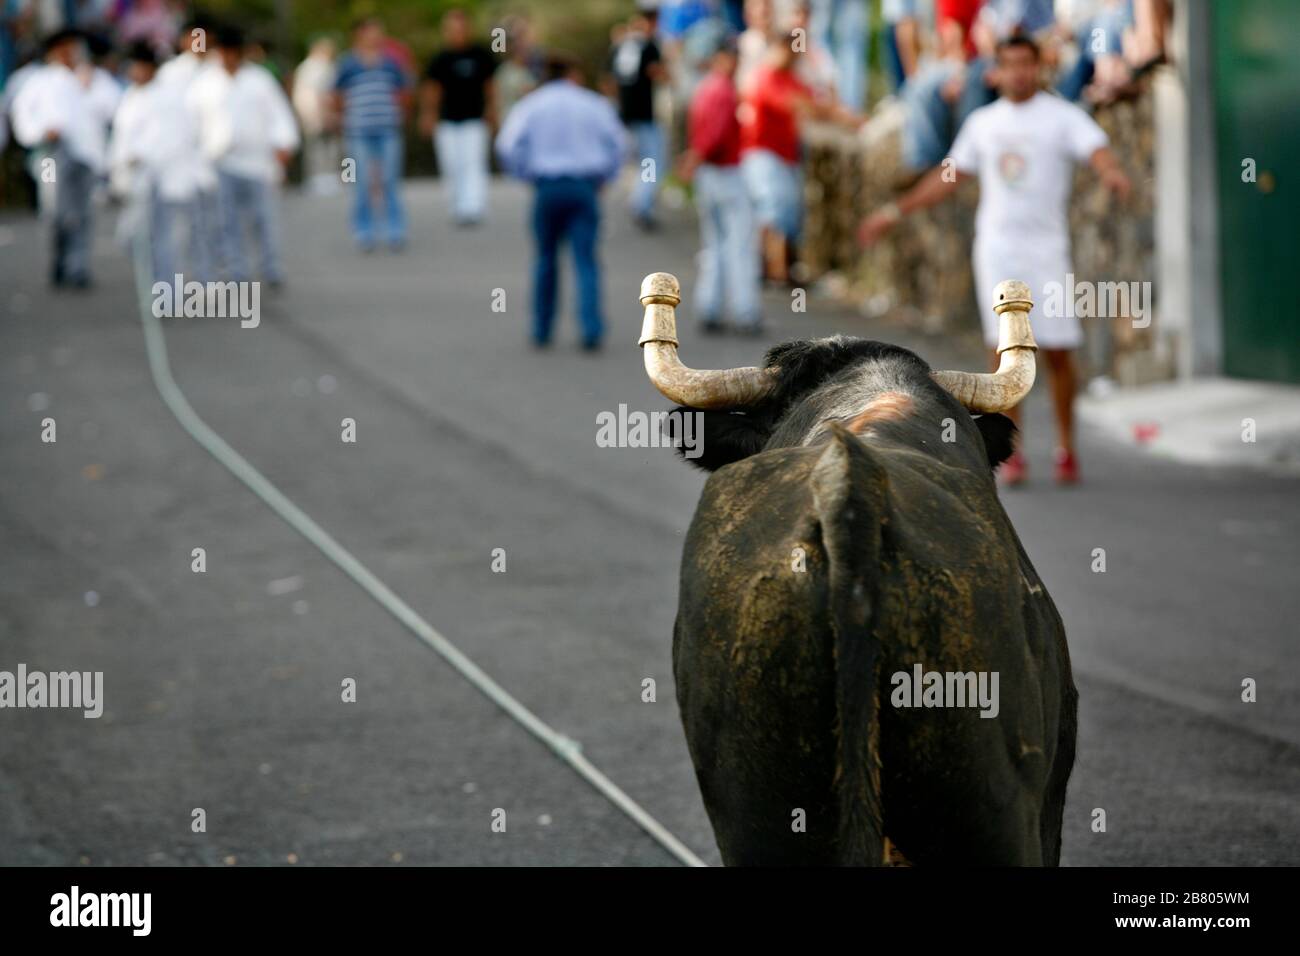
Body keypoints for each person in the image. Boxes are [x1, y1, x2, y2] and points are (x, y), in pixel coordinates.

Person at [859, 35, 1132, 485]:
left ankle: (1066, 446)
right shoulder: (983, 124)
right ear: (996, 72)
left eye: (1028, 64)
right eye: (1011, 65)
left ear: (1039, 67)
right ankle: (1013, 452)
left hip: (1047, 249)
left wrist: (1112, 172)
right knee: (1004, 353)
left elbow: (1096, 149)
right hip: (998, 250)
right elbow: (949, 176)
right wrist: (894, 211)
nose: (1020, 73)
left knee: (1059, 350)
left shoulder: (1063, 117)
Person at [495, 51, 627, 351]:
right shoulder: (593, 104)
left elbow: (507, 145)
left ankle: (542, 328)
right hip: (584, 186)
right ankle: (591, 328)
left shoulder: (530, 106)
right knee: (586, 258)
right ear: (573, 74)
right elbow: (619, 143)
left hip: (547, 187)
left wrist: (526, 174)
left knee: (545, 258)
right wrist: (606, 176)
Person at [678, 37, 761, 336]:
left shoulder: (703, 88)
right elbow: (715, 134)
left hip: (708, 176)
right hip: (727, 173)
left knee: (714, 244)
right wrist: (696, 157)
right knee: (740, 245)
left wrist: (692, 159)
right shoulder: (724, 91)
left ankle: (709, 306)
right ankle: (745, 311)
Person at [10, 28, 102, 288]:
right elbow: (22, 117)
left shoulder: (90, 79)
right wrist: (41, 132)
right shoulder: (38, 81)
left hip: (85, 155)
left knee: (83, 212)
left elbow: (109, 109)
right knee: (56, 210)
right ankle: (60, 258)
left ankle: (78, 265)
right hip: (51, 154)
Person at [209, 25, 299, 286]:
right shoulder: (207, 83)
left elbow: (279, 116)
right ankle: (236, 269)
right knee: (226, 220)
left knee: (264, 218)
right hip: (221, 160)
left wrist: (283, 144)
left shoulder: (259, 80)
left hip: (258, 161)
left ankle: (271, 266)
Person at [332, 17, 410, 252]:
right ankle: (364, 231)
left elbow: (404, 88)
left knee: (390, 181)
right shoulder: (348, 63)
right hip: (358, 132)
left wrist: (400, 113)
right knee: (362, 183)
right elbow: (335, 94)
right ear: (359, 35)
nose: (376, 37)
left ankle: (395, 230)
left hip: (387, 129)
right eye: (371, 32)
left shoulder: (390, 62)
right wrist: (344, 118)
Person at [420, 8, 497, 227]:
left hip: (475, 118)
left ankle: (473, 206)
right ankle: (456, 204)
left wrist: (492, 111)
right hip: (447, 120)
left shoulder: (481, 55)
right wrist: (428, 115)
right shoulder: (440, 59)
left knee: (473, 162)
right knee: (452, 163)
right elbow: (432, 89)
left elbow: (490, 86)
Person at [606, 3, 666, 230]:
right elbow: (657, 73)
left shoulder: (622, 45)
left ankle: (639, 198)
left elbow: (609, 80)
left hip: (626, 113)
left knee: (637, 160)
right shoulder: (648, 46)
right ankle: (642, 203)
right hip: (644, 113)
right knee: (651, 161)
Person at [292, 35, 340, 196]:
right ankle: (320, 178)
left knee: (324, 147)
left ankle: (327, 177)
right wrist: (325, 114)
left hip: (312, 113)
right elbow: (319, 95)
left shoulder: (308, 67)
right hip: (316, 114)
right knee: (319, 148)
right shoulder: (316, 68)